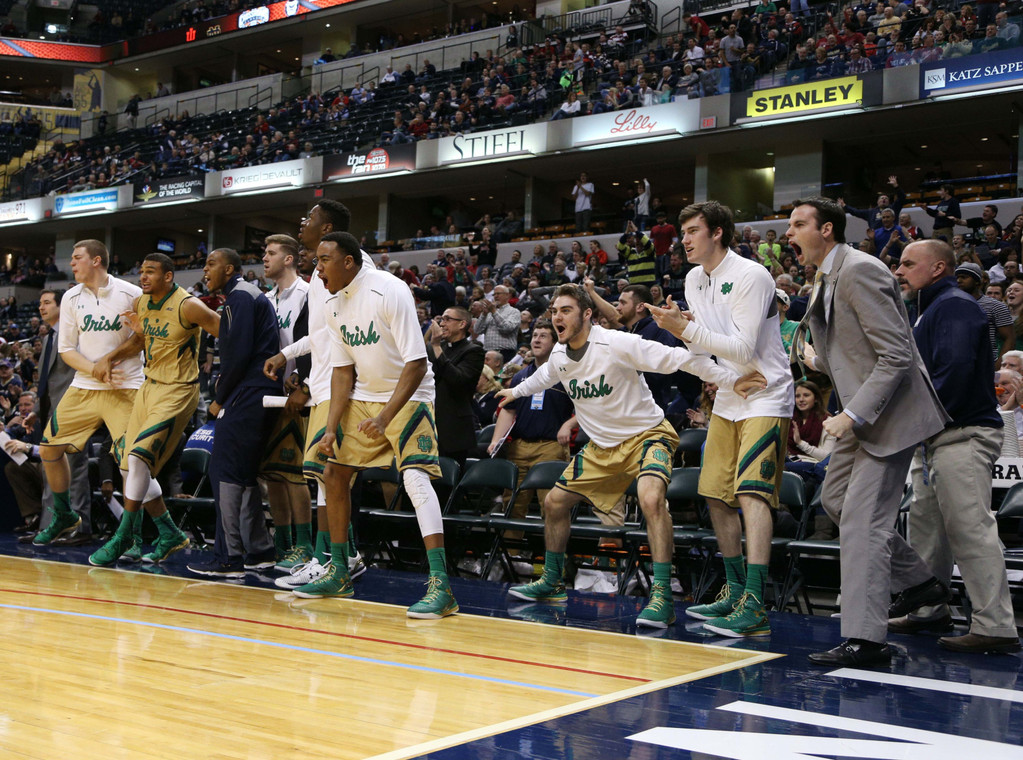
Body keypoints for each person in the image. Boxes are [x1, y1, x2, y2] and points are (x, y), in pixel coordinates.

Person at [498, 284, 765, 629]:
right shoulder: (561, 355)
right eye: (553, 312)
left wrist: (730, 380)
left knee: (651, 500)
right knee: (554, 503)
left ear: (588, 314)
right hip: (602, 448)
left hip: (647, 436)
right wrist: (515, 391)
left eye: (565, 310)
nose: (556, 317)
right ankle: (552, 581)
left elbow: (680, 359)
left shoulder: (617, 343)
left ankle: (662, 597)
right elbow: (544, 376)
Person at [787, 197, 949, 667]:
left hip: (887, 415)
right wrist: (816, 360)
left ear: (828, 230)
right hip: (862, 415)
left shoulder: (860, 270)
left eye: (798, 224)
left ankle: (866, 639)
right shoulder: (826, 276)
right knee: (836, 501)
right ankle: (920, 582)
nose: (789, 233)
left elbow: (897, 355)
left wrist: (852, 414)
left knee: (864, 522)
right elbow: (855, 352)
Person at [649, 201, 794, 638]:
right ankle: (733, 591)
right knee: (715, 495)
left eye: (693, 231)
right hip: (731, 395)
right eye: (683, 233)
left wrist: (684, 329)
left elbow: (744, 348)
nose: (685, 240)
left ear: (718, 233)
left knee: (752, 495)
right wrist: (684, 337)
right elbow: (702, 352)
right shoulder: (694, 279)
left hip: (767, 394)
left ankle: (755, 602)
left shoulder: (752, 275)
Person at [303, 231, 458, 620]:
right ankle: (340, 571)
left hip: (410, 394)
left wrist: (386, 416)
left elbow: (417, 363)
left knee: (415, 479)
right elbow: (342, 371)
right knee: (332, 473)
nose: (317, 269)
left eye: (324, 260)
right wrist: (331, 427)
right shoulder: (333, 305)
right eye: (316, 261)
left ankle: (441, 586)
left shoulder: (389, 290)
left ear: (349, 262)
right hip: (365, 396)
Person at [891, 241, 1020, 654]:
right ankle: (930, 610)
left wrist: (915, 419)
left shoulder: (954, 305)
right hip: (934, 437)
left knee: (970, 529)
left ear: (938, 268)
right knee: (926, 528)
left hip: (961, 432)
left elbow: (957, 370)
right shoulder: (932, 307)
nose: (899, 271)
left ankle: (996, 625)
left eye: (908, 263)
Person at [263, 200, 375, 590]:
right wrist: (287, 354)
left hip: (345, 386)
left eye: (309, 217)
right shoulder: (318, 273)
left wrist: (314, 382)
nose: (302, 221)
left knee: (330, 475)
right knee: (324, 478)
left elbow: (357, 333)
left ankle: (334, 559)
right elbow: (323, 333)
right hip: (324, 383)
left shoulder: (358, 268)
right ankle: (332, 557)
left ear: (326, 228)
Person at [88, 254, 220, 566]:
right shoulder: (142, 303)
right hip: (149, 387)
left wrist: (228, 380)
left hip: (178, 389)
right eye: (142, 271)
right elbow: (141, 341)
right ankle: (170, 532)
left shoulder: (189, 305)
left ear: (168, 276)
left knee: (138, 459)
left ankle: (125, 535)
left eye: (150, 272)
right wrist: (110, 357)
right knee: (126, 465)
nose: (143, 277)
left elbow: (227, 332)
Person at [35, 240, 145, 547]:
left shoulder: (131, 293)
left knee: (131, 463)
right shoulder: (71, 297)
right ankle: (64, 515)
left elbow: (143, 338)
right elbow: (67, 350)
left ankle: (132, 535)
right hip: (85, 386)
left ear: (96, 260)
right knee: (48, 450)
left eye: (77, 258)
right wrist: (96, 369)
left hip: (126, 388)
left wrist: (109, 363)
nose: (71, 263)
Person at [187, 248, 281, 578]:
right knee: (242, 473)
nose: (205, 270)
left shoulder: (240, 297)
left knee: (224, 471)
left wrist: (218, 398)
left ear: (229, 269)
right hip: (257, 392)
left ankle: (229, 557)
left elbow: (238, 356)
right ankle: (259, 551)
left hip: (248, 392)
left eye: (211, 264)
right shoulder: (243, 296)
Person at [487, 320, 576, 544]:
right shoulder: (520, 376)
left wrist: (568, 425)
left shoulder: (567, 373)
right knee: (512, 505)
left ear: (555, 343)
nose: (536, 340)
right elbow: (508, 410)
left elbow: (588, 408)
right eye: (535, 335)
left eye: (543, 336)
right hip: (519, 447)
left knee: (551, 506)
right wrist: (496, 439)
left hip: (551, 447)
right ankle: (512, 555)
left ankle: (552, 559)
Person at [259, 234, 313, 567]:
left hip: (300, 396)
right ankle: (283, 542)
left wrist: (304, 384)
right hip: (269, 396)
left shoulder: (308, 294)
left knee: (294, 474)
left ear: (289, 259)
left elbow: (315, 342)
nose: (264, 258)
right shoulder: (265, 298)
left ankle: (304, 545)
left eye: (271, 253)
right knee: (273, 475)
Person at [425, 305, 485, 470]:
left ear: (462, 324)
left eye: (447, 319)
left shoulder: (474, 351)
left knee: (448, 479)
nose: (442, 324)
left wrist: (436, 347)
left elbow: (458, 380)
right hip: (429, 423)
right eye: (441, 319)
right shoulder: (433, 348)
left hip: (454, 429)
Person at [955, 261, 1014, 368]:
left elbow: (1009, 338)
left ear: (977, 281)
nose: (959, 280)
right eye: (957, 277)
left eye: (964, 277)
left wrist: (997, 367)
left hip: (985, 364)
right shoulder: (950, 305)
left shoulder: (996, 306)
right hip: (956, 364)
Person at [474, 285, 520, 362]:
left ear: (507, 295)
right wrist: (484, 314)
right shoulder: (489, 313)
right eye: (494, 294)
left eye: (498, 294)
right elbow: (477, 330)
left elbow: (506, 329)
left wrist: (494, 312)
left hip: (505, 353)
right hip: (487, 352)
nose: (495, 296)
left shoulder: (514, 312)